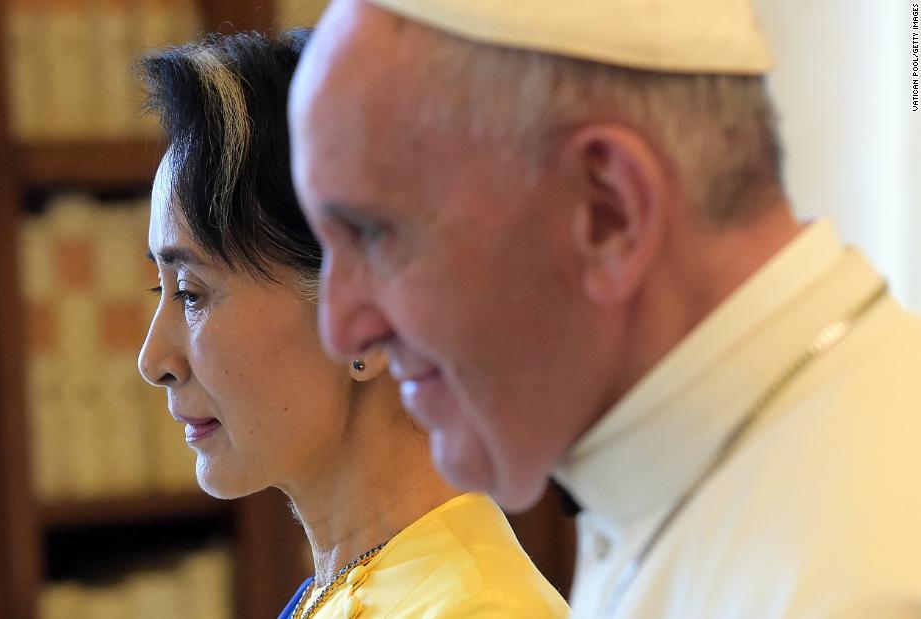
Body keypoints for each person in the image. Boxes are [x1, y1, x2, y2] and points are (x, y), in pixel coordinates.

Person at [289, 0, 921, 616]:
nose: (341, 329)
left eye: (375, 235)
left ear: (607, 212)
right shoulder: (656, 472)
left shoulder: (861, 583)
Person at [135, 30, 568, 618]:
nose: (154, 358)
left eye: (190, 293)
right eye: (160, 289)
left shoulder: (476, 608)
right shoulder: (341, 591)